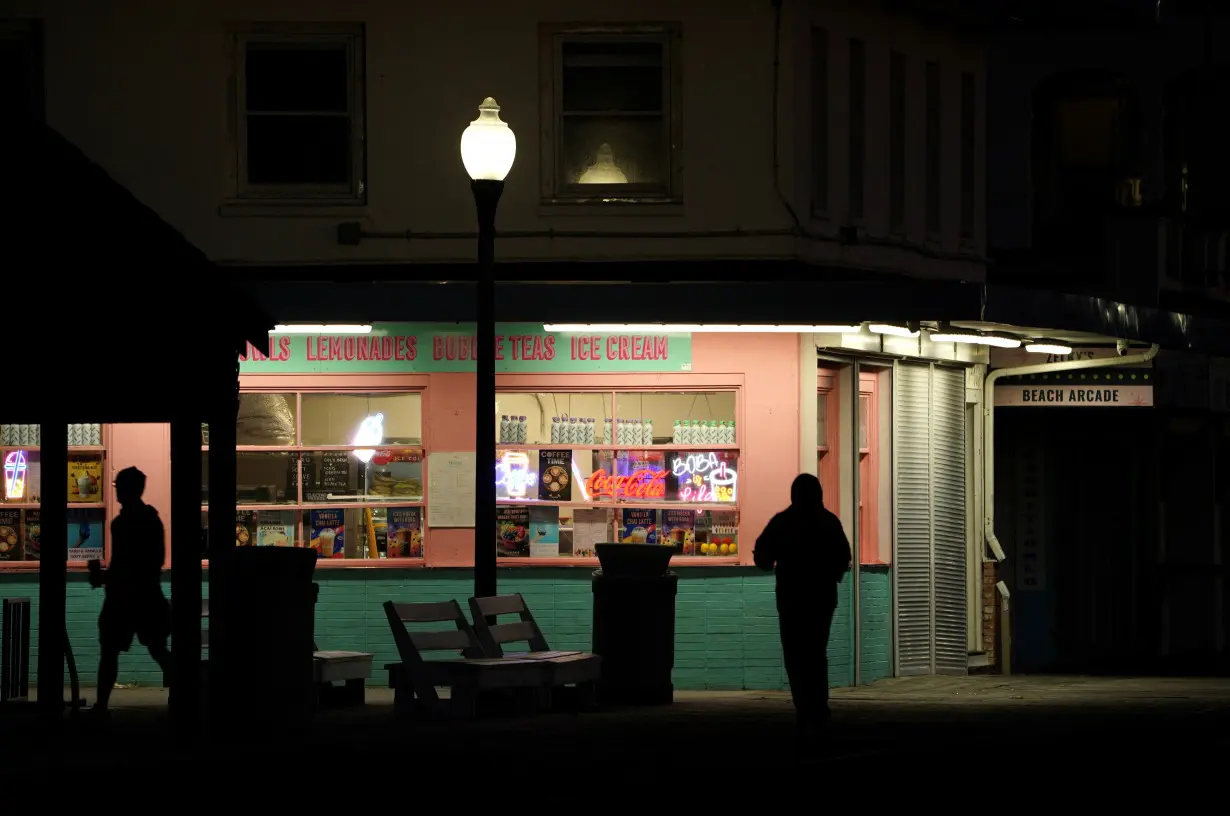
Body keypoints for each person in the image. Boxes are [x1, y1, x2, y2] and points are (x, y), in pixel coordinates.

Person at [753, 473, 851, 745]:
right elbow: (844, 557)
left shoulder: (783, 522)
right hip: (821, 598)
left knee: (795, 654)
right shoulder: (829, 522)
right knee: (816, 652)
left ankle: (805, 708)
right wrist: (830, 575)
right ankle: (818, 708)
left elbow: (762, 555)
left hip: (791, 598)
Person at [87, 466, 171, 714]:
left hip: (123, 599)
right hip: (147, 596)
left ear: (126, 490)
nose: (117, 492)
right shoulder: (151, 519)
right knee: (158, 650)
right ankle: (190, 697)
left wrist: (103, 578)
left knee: (110, 654)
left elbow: (124, 565)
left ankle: (101, 706)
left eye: (119, 487)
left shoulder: (122, 523)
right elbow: (152, 562)